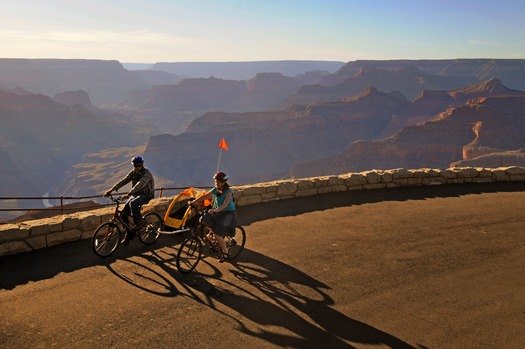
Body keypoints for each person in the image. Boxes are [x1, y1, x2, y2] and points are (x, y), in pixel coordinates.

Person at [104, 156, 155, 244]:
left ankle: (139, 222)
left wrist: (129, 194)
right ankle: (129, 234)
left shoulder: (147, 174)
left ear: (142, 165)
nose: (137, 167)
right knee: (123, 214)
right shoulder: (134, 172)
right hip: (135, 194)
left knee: (133, 203)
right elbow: (124, 180)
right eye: (135, 166)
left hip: (146, 195)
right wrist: (111, 190)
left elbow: (140, 184)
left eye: (138, 165)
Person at [190, 171, 236, 262]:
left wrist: (215, 210)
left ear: (223, 183)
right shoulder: (215, 190)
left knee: (217, 235)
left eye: (218, 182)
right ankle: (212, 232)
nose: (216, 183)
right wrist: (193, 202)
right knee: (204, 219)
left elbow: (225, 205)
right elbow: (205, 196)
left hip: (228, 214)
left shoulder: (228, 192)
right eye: (215, 182)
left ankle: (225, 252)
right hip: (218, 212)